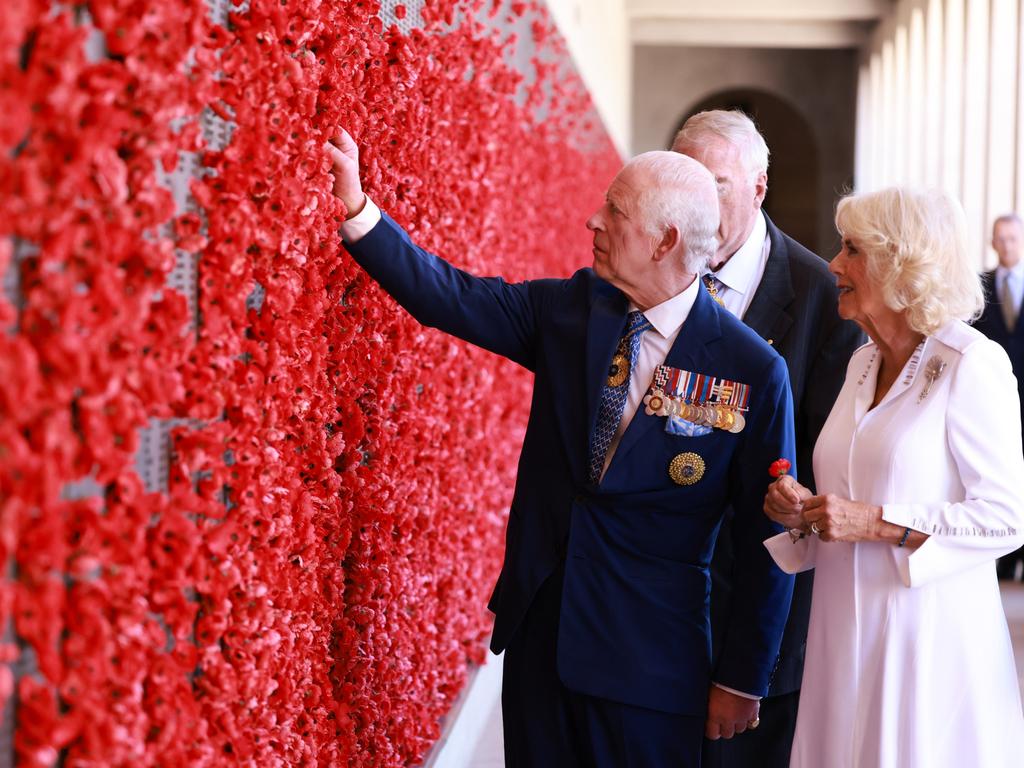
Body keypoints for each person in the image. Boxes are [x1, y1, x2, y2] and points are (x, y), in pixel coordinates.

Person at [327, 129, 797, 767]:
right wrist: (358, 211)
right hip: (542, 644)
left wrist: (743, 678)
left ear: (666, 242)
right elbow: (453, 298)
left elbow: (768, 538)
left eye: (617, 212)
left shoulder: (752, 370)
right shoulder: (575, 310)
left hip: (650, 669)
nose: (592, 220)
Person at [763, 187, 1024, 768]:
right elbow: (850, 499)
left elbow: (1005, 520)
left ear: (902, 262)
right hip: (838, 638)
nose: (833, 264)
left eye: (852, 249)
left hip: (923, 645)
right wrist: (803, 512)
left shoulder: (972, 363)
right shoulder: (862, 361)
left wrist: (876, 523)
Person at [672, 109, 863, 768]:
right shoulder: (656, 270)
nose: (695, 201)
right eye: (684, 180)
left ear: (758, 188)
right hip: (653, 609)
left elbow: (821, 480)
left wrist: (751, 667)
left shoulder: (820, 297)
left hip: (754, 617)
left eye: (716, 184)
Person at [972, 213, 1024, 580]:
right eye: (1000, 239)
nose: (1007, 245)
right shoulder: (980, 288)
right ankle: (1005, 557)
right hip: (994, 402)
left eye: (1013, 239)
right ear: (992, 242)